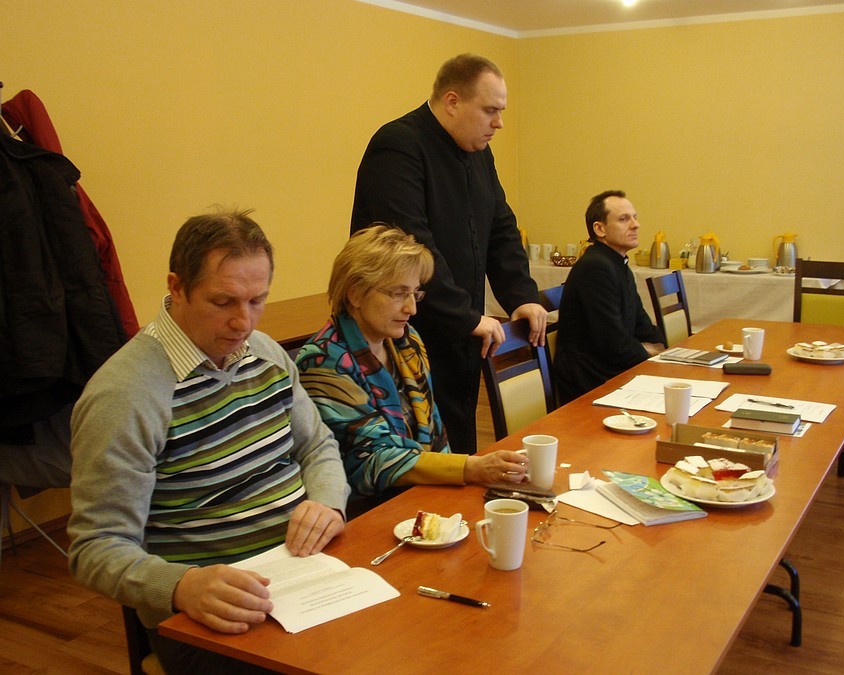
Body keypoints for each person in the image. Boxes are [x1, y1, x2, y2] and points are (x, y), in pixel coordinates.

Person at [67, 209, 349, 674]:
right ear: (176, 287)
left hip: (303, 575)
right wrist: (181, 586)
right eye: (223, 302)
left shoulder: (266, 354)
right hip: (208, 614)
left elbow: (317, 446)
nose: (243, 322)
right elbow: (96, 548)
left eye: (257, 300)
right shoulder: (126, 395)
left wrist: (327, 500)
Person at [350, 53, 547, 455]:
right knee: (418, 454)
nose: (499, 123)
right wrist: (466, 315)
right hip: (406, 331)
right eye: (490, 110)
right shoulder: (398, 146)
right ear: (452, 101)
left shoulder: (479, 152)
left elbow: (500, 228)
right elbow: (412, 245)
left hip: (460, 331)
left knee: (460, 446)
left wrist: (521, 296)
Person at [296, 225, 530, 517]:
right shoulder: (323, 360)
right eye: (398, 294)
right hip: (362, 513)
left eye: (415, 294)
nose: (411, 309)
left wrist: (452, 502)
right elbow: (375, 460)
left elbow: (434, 432)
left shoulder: (406, 341)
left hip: (418, 495)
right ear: (355, 293)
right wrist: (470, 468)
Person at [554, 191, 665, 404]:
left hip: (612, 369)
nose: (635, 225)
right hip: (591, 380)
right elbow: (611, 342)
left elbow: (639, 320)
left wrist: (661, 346)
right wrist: (647, 351)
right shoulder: (595, 267)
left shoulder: (617, 263)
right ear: (600, 229)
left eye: (635, 217)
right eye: (624, 219)